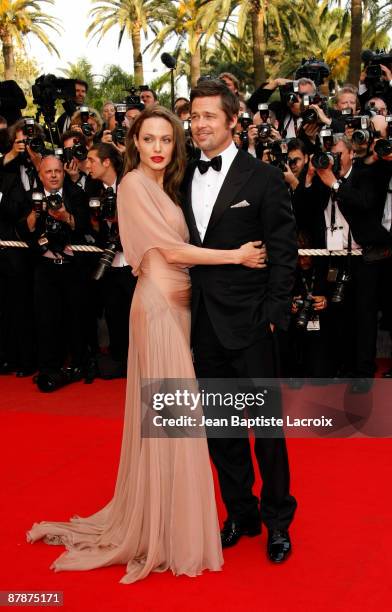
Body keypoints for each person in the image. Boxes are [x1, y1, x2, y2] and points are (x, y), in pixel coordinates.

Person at [26, 106, 266, 583]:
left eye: (166, 140)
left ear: (175, 146)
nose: (158, 148)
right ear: (134, 143)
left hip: (180, 310)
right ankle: (164, 528)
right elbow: (171, 252)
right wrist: (236, 256)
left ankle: (169, 517)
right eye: (149, 139)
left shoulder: (165, 187)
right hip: (156, 309)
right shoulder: (134, 185)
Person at [183, 79, 298, 563]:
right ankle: (240, 514)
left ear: (233, 120)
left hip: (251, 322)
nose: (200, 124)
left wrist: (273, 313)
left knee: (266, 431)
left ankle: (277, 521)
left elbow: (284, 250)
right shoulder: (182, 176)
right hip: (203, 322)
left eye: (210, 115)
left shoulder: (264, 178)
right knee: (221, 430)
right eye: (194, 115)